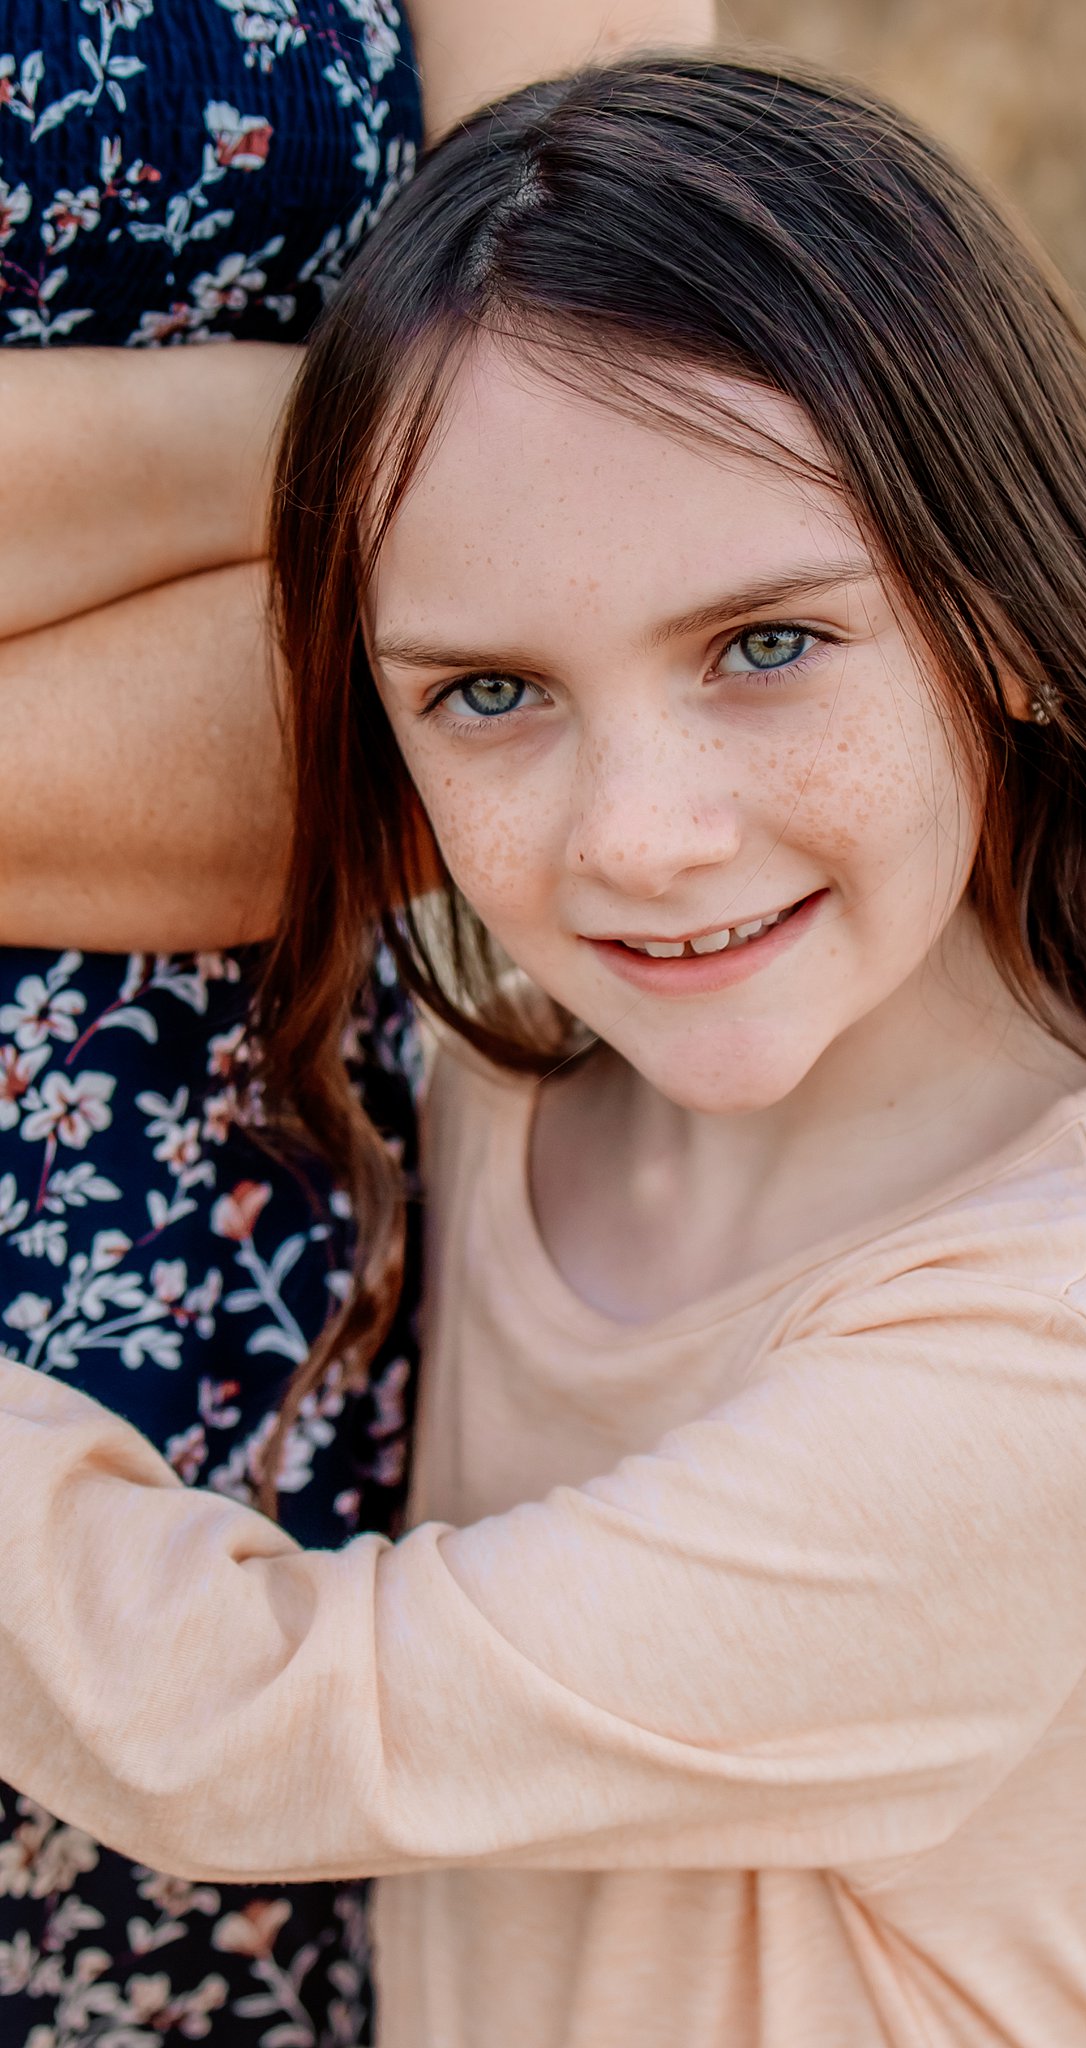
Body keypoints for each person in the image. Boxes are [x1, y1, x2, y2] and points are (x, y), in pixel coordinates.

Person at [2, 53, 1086, 2048]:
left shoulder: (1084, 1319)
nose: (640, 833)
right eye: (489, 690)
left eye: (761, 646)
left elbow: (251, 1720)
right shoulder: (547, 1078)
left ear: (998, 605)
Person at [0, 7, 709, 2043]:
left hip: (213, 1332)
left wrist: (519, 449)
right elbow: (513, 466)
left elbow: (553, 612)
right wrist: (366, 418)